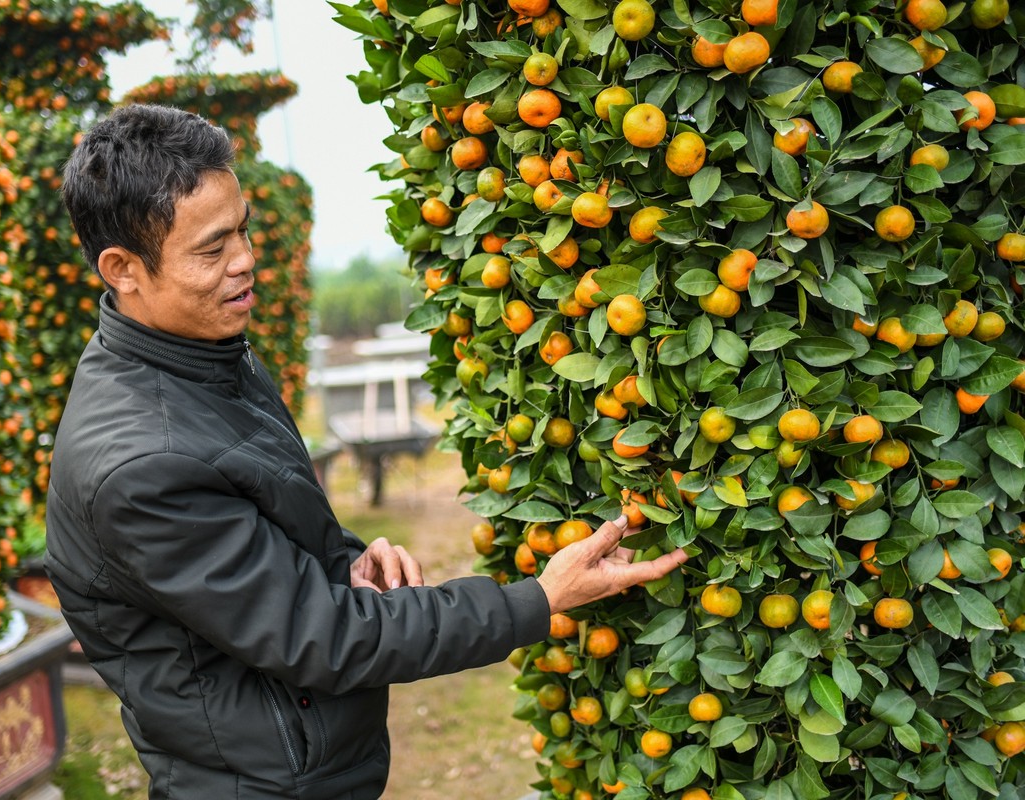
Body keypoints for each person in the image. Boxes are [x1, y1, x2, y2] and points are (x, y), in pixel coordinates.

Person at [45, 103, 688, 799]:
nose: (246, 261)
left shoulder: (198, 358)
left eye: (243, 231)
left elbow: (257, 522)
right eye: (211, 249)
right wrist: (538, 599)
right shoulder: (141, 465)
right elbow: (320, 635)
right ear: (123, 268)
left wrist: (345, 559)